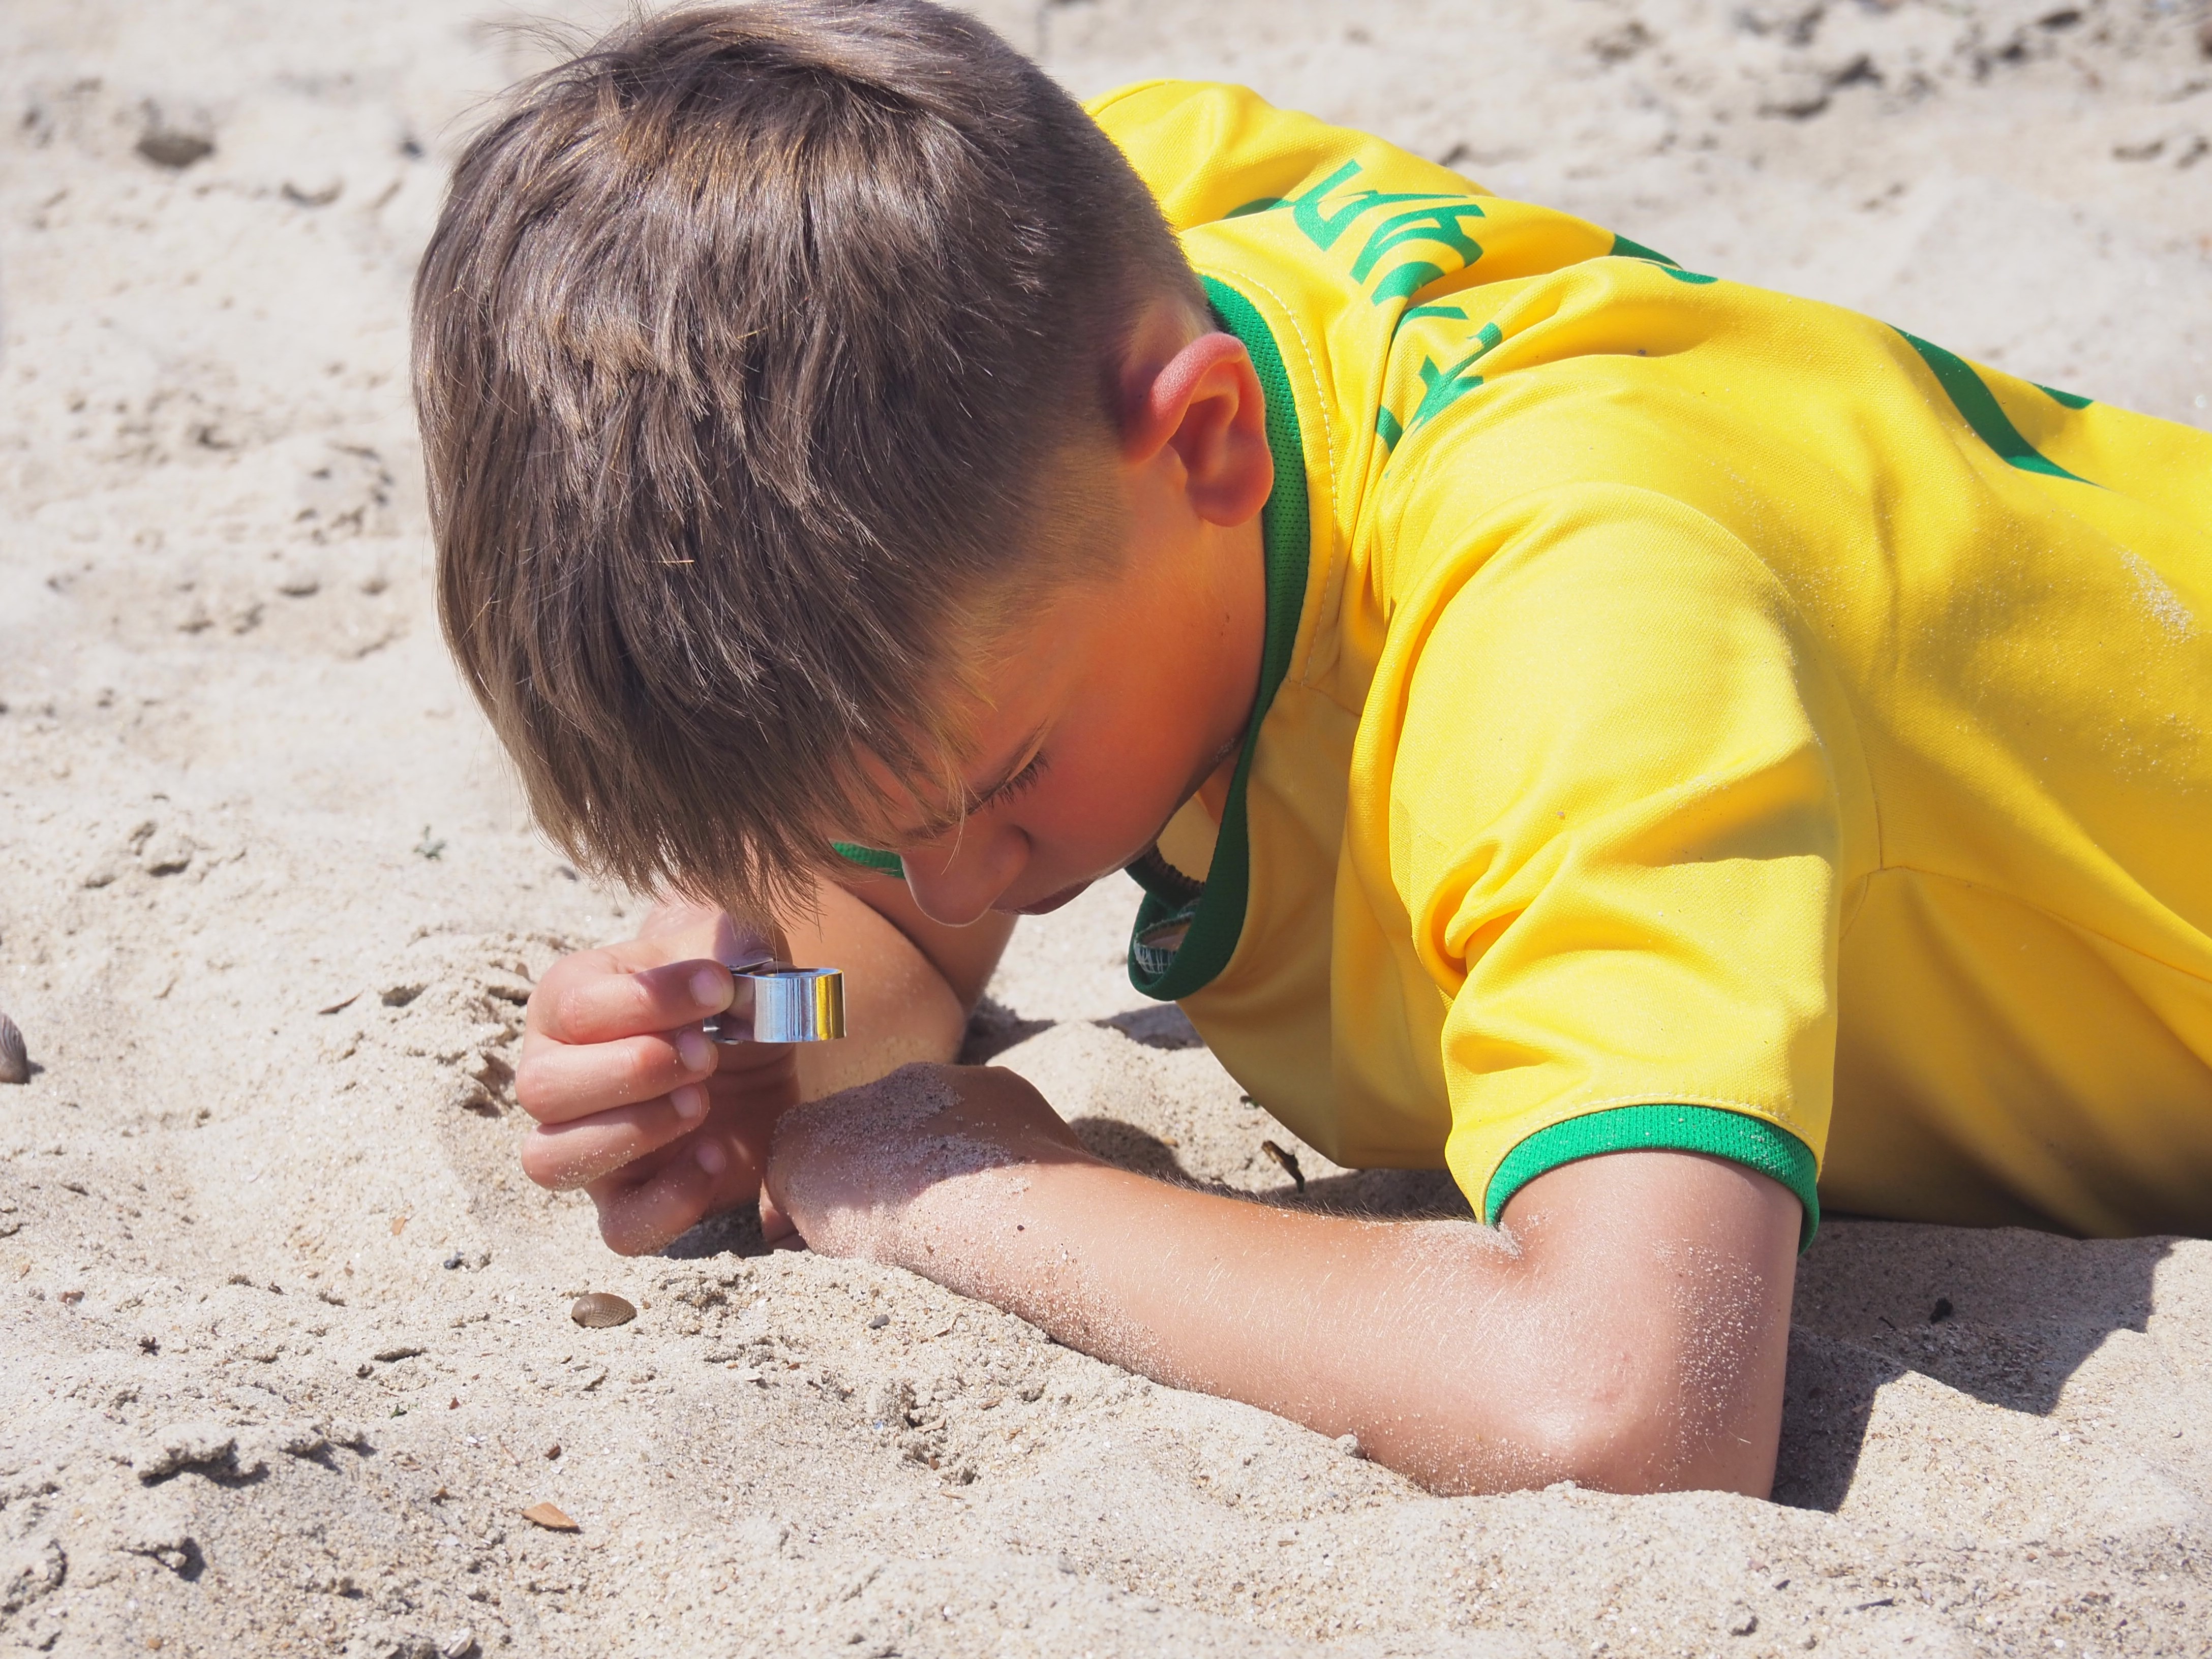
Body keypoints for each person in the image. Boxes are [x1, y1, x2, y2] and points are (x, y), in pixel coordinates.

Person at [411, 0, 2212, 1497]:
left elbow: (1628, 1409)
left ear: (1205, 451)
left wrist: (970, 1193)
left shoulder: (1578, 628)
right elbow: (894, 944)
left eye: (999, 788)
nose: (943, 889)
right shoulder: (1096, 277)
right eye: (857, 828)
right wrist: (752, 1028)